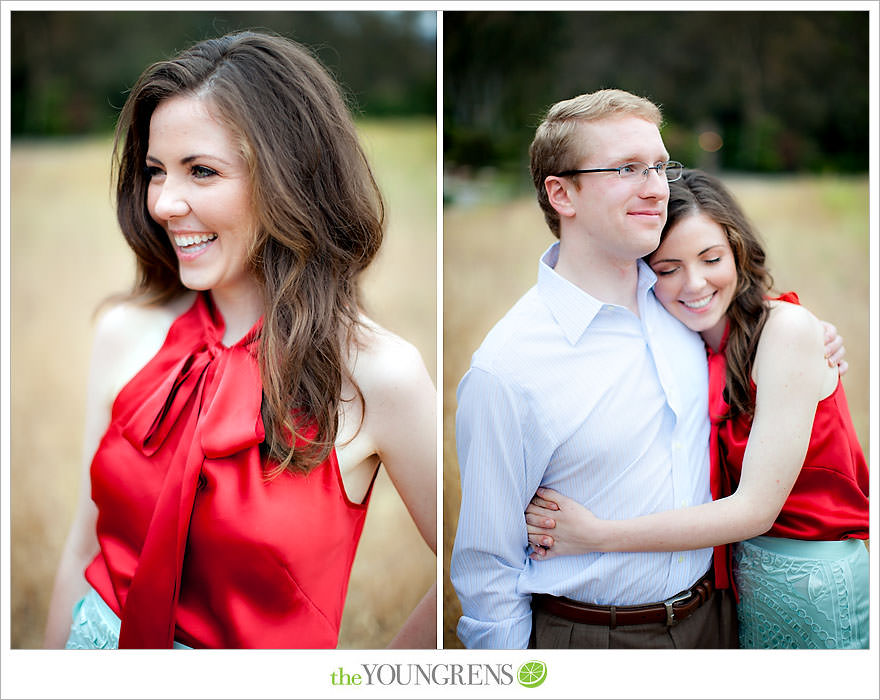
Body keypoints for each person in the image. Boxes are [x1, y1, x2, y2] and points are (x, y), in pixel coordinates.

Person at [42, 31, 436, 650]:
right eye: (155, 172)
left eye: (201, 171)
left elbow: (476, 564)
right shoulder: (126, 331)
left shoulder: (377, 373)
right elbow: (82, 548)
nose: (166, 203)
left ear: (290, 179)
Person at [450, 89, 844, 650]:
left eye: (660, 167)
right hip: (590, 637)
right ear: (561, 193)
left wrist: (817, 343)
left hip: (716, 620)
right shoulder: (509, 369)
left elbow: (770, 344)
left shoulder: (679, 306)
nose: (657, 188)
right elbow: (487, 571)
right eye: (628, 169)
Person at [526, 169, 868, 650]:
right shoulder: (684, 345)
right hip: (733, 583)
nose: (695, 283)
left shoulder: (785, 331)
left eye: (712, 258)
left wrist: (597, 535)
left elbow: (754, 511)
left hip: (807, 579)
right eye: (668, 269)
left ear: (738, 251)